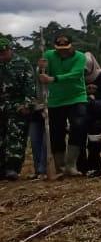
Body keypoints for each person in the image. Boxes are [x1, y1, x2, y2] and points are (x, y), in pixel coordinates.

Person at [39, 35, 88, 177]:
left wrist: (54, 79)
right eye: (59, 49)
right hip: (56, 100)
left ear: (71, 46)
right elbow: (43, 75)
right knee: (56, 132)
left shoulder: (80, 57)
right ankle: (60, 167)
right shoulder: (48, 55)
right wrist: (41, 68)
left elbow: (75, 74)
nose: (63, 52)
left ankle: (71, 164)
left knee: (78, 125)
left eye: (66, 48)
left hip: (77, 97)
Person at [0, 38, 36, 180]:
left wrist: (26, 104)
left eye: (3, 53)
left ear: (10, 50)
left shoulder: (23, 63)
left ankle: (12, 168)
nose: (1, 56)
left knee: (16, 137)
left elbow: (30, 86)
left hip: (17, 105)